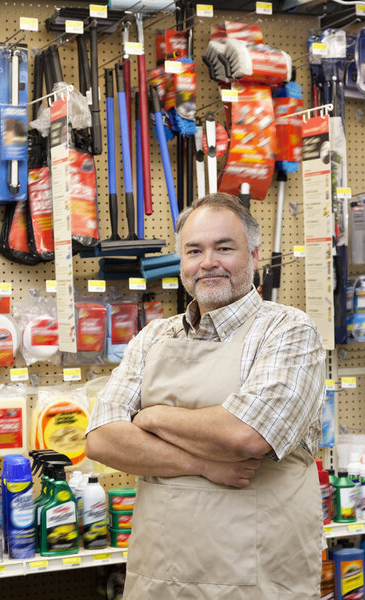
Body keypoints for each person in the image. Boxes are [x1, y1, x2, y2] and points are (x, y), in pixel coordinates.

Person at [86, 192, 326, 600]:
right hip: (158, 578)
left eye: (224, 248)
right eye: (194, 250)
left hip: (257, 582)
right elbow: (101, 439)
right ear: (182, 261)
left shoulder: (288, 331)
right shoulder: (153, 337)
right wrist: (203, 463)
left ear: (252, 254)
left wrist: (153, 417)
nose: (208, 262)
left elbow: (247, 435)